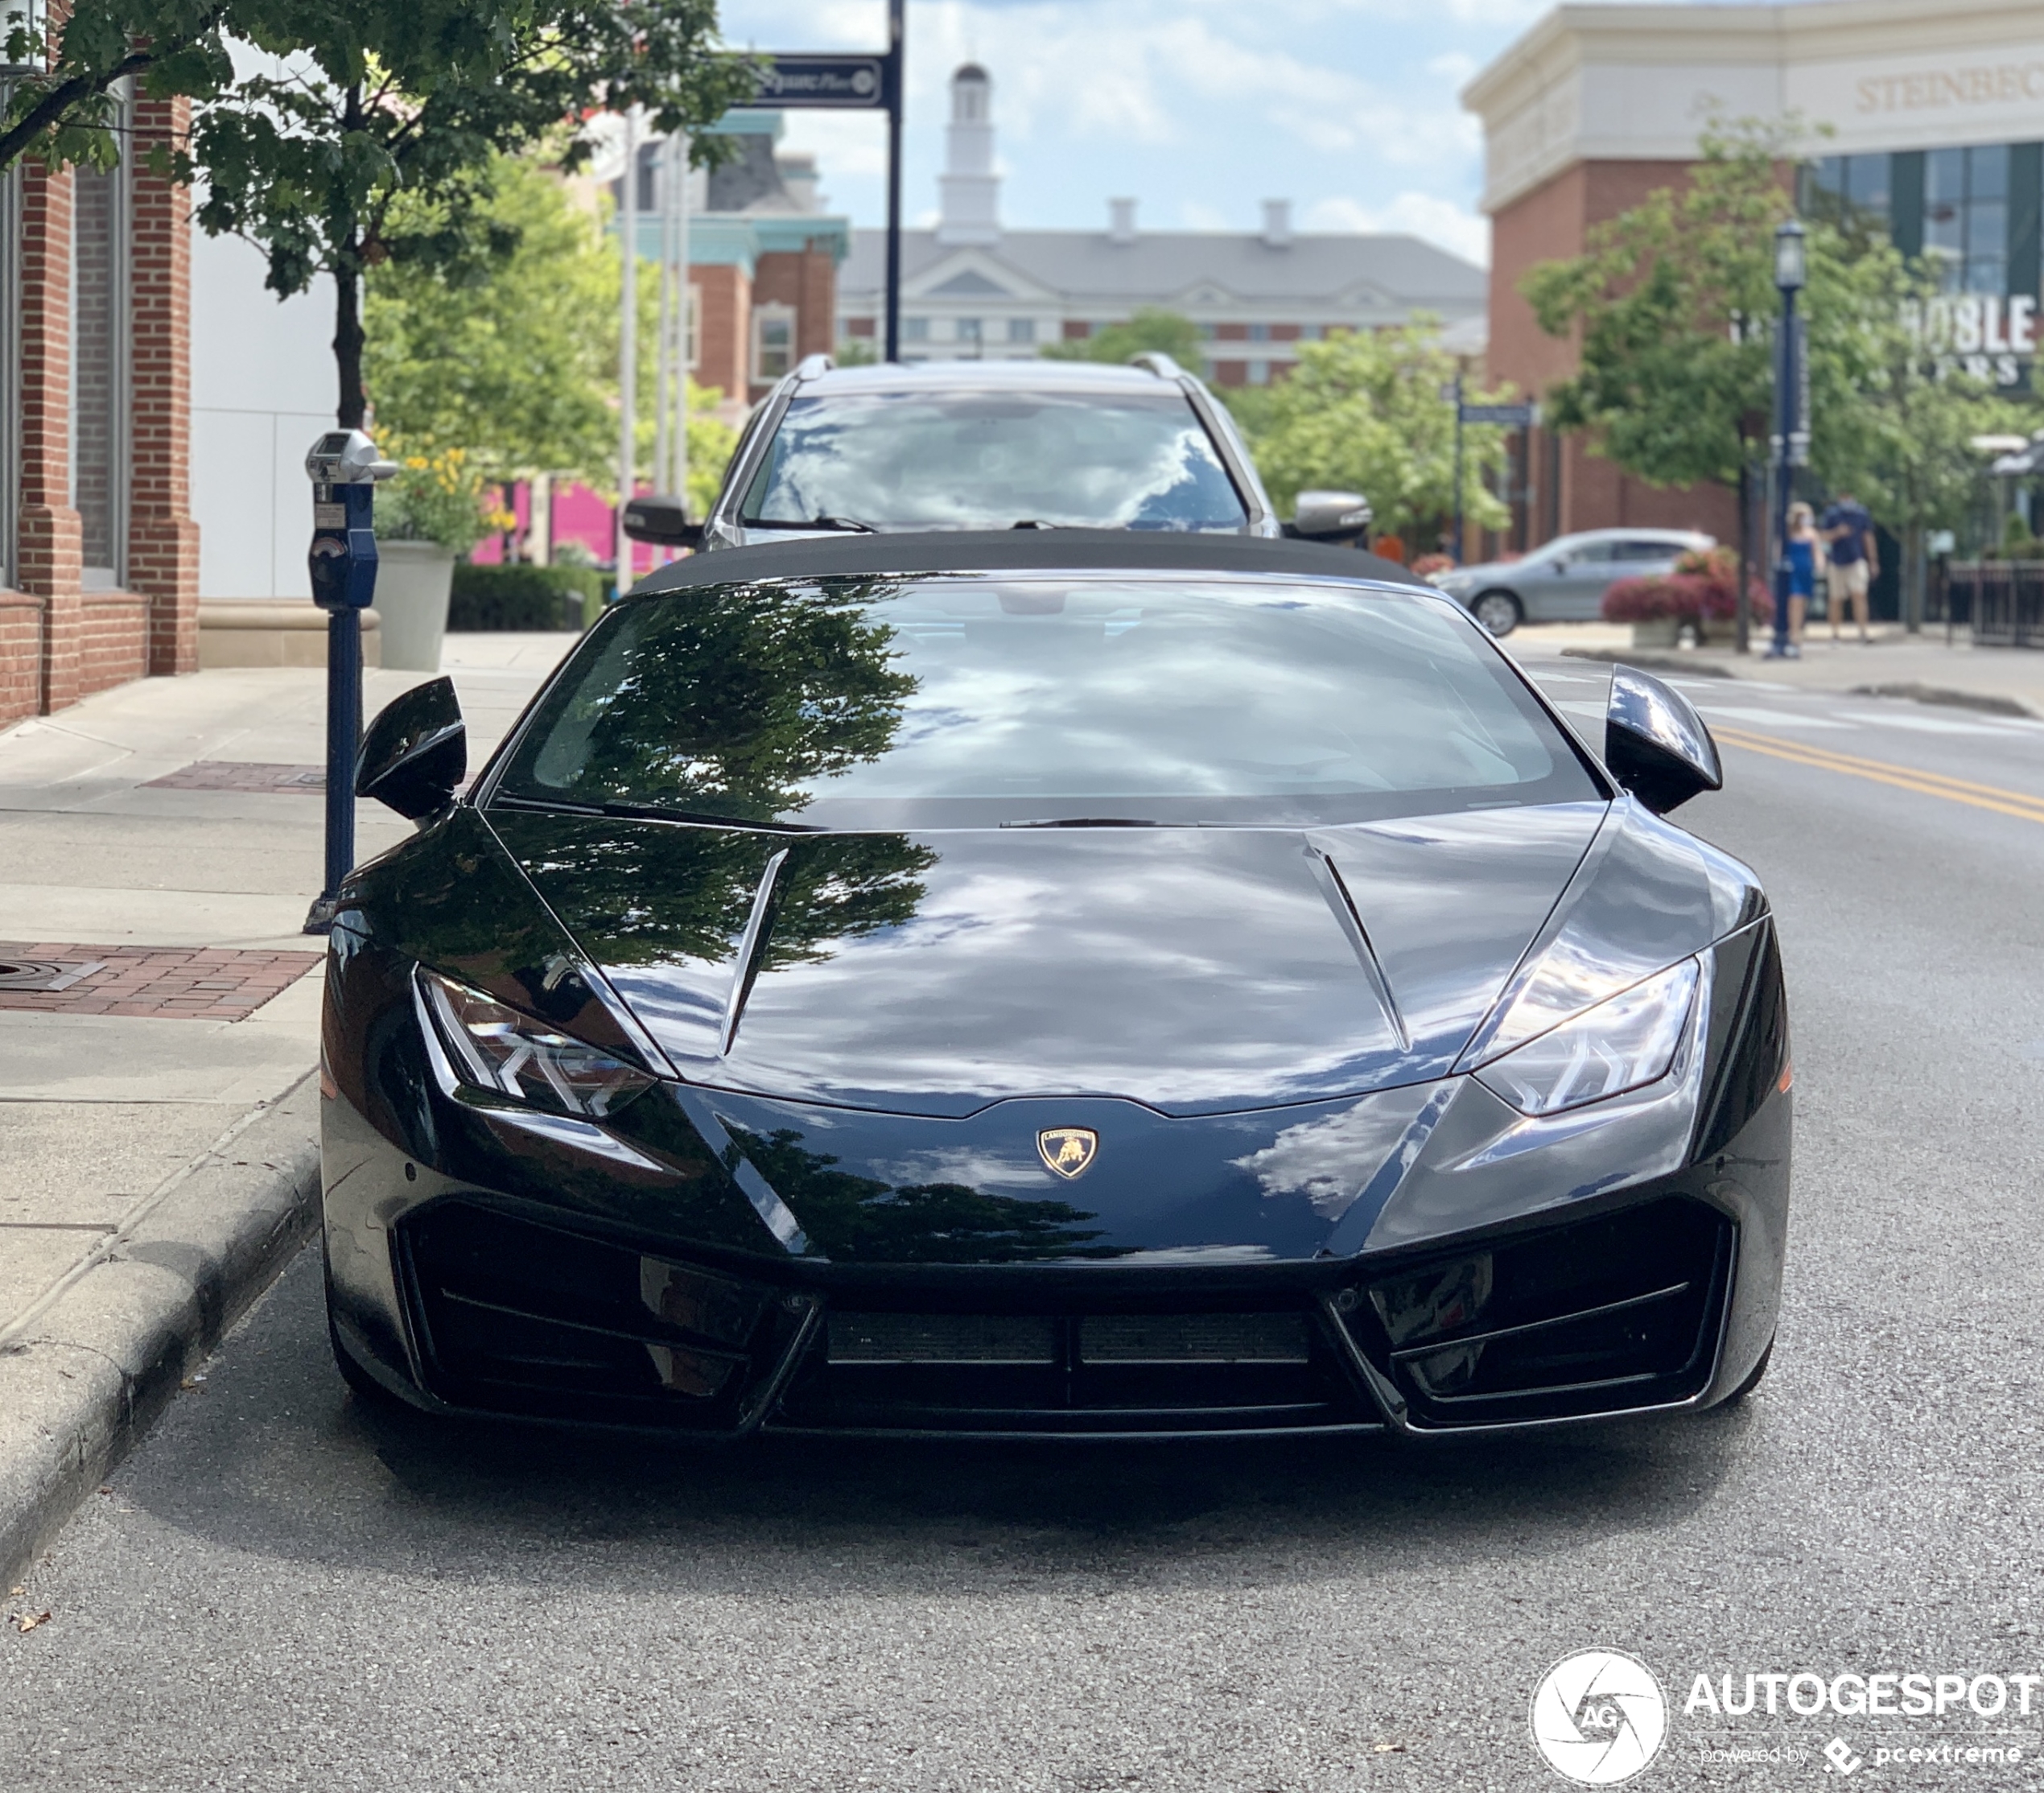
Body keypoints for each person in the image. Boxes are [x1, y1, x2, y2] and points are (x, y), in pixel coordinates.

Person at [1820, 491, 1877, 644]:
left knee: (1859, 595)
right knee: (1835, 599)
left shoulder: (1861, 513)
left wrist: (1872, 561)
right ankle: (1835, 634)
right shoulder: (1832, 514)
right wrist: (1838, 533)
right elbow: (1823, 536)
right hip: (1836, 561)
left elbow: (1868, 537)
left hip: (1856, 560)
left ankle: (1863, 633)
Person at [1778, 501, 1823, 658]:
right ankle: (1793, 633)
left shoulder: (1811, 534)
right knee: (1794, 600)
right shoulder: (1788, 533)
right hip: (1792, 570)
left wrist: (1819, 564)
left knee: (1802, 602)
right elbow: (1779, 550)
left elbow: (1817, 551)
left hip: (1806, 569)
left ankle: (1798, 632)